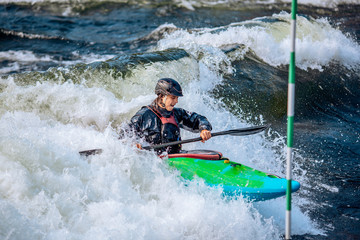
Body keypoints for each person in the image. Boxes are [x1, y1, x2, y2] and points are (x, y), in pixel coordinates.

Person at [129, 78, 212, 154]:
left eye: (177, 98)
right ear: (161, 96)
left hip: (176, 157)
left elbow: (199, 119)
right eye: (173, 98)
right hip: (154, 161)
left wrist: (204, 129)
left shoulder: (177, 113)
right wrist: (134, 144)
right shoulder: (144, 115)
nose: (176, 101)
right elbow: (125, 134)